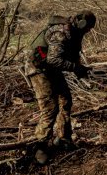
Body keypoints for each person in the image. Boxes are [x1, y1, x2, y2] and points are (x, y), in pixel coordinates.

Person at [25, 11, 96, 165]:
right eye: (88, 28)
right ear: (82, 24)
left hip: (51, 69)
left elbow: (72, 54)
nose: (88, 31)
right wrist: (76, 68)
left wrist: (80, 69)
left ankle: (63, 137)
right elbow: (53, 60)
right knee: (50, 108)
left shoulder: (74, 32)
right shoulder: (60, 33)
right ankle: (40, 146)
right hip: (38, 70)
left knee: (66, 100)